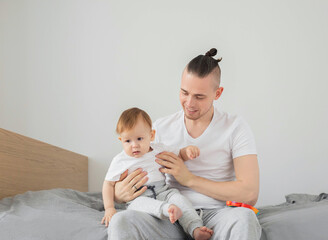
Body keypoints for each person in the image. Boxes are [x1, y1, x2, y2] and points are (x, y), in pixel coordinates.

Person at [108, 48, 261, 240]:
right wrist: (119, 194)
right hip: (171, 215)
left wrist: (189, 179)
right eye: (184, 92)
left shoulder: (235, 127)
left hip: (218, 215)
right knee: (121, 221)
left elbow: (249, 193)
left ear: (218, 93)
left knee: (245, 218)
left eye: (199, 97)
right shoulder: (159, 128)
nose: (189, 103)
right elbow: (124, 171)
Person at [102, 107, 213, 240]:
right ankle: (167, 210)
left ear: (151, 135)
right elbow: (108, 184)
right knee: (139, 204)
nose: (134, 145)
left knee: (180, 200)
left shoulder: (158, 149)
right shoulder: (120, 160)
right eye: (128, 141)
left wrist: (188, 151)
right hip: (138, 197)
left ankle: (195, 228)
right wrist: (109, 208)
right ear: (121, 140)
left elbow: (178, 154)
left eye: (139, 138)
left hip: (164, 192)